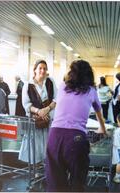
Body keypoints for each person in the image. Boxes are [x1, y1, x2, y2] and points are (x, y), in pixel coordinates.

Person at [45, 60, 106, 192]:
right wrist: (103, 129)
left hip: (54, 136)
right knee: (77, 182)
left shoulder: (62, 86)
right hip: (76, 138)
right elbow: (99, 113)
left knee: (55, 182)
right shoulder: (91, 90)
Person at [19, 60, 57, 164]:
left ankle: (47, 168)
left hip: (49, 119)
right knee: (35, 145)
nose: (42, 70)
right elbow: (26, 104)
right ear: (35, 70)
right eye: (40, 68)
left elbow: (56, 99)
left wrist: (47, 110)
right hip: (35, 120)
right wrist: (39, 111)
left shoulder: (50, 82)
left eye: (45, 68)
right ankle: (35, 170)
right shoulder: (28, 85)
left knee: (48, 144)